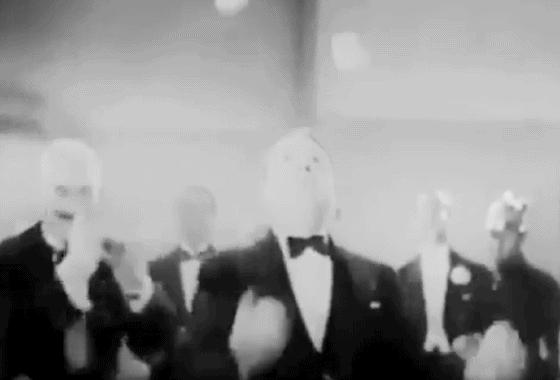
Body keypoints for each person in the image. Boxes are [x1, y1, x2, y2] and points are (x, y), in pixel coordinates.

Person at [172, 128, 424, 380]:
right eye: (288, 160)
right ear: (265, 192)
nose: (305, 166)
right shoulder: (223, 273)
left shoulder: (380, 279)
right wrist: (243, 364)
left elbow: (407, 369)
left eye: (316, 161)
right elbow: (194, 368)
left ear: (334, 193)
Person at [0, 139, 174, 380]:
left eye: (85, 191)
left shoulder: (112, 256)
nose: (73, 203)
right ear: (42, 192)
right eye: (61, 191)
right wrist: (71, 284)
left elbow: (153, 348)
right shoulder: (8, 259)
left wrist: (137, 290)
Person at [398, 191, 493, 379]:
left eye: (437, 211)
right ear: (416, 219)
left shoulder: (478, 275)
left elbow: (491, 331)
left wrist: (476, 342)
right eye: (426, 211)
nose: (431, 219)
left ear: (446, 216)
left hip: (463, 371)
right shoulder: (399, 278)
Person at [468, 191, 560, 380]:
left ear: (521, 235)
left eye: (507, 229)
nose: (500, 238)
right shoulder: (477, 287)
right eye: (494, 232)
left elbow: (552, 356)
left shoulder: (544, 288)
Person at [136, 186, 218, 380]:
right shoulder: (154, 270)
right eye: (189, 211)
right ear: (178, 217)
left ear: (213, 216)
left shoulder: (231, 269)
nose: (196, 218)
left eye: (202, 210)